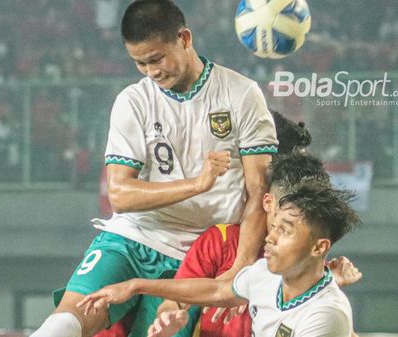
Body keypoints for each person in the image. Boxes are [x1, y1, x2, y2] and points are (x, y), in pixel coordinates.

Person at [29, 0, 278, 337]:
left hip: (199, 257)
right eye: (140, 63)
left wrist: (240, 268)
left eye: (157, 58)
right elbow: (120, 195)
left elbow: (259, 191)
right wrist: (196, 184)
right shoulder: (133, 102)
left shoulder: (241, 94)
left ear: (185, 39)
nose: (151, 72)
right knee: (66, 320)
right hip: (133, 237)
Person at [77, 153, 361, 337]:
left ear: (319, 247)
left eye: (284, 231)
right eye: (274, 226)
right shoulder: (265, 273)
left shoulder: (325, 314)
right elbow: (215, 289)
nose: (270, 237)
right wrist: (136, 285)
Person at [147, 112, 361, 337]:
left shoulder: (306, 257)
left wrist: (330, 289)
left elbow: (331, 322)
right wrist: (167, 314)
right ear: (269, 200)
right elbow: (176, 301)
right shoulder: (220, 239)